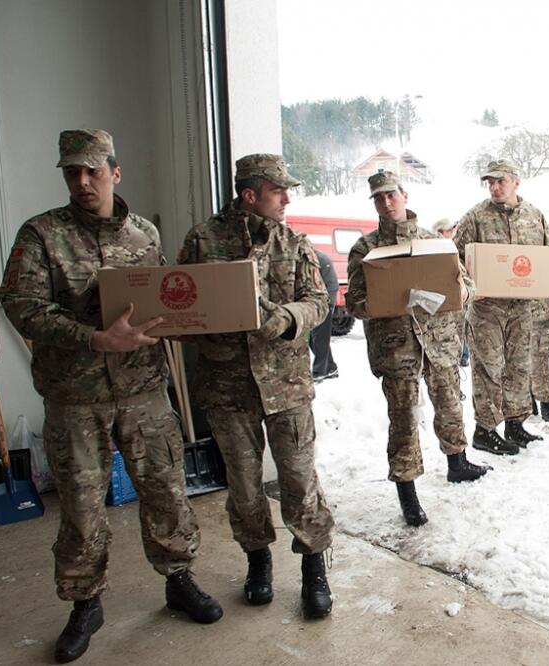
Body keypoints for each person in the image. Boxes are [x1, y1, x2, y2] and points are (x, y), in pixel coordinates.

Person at [0, 129, 222, 664]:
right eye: (71, 172)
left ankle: (178, 579)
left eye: (92, 170)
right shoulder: (42, 235)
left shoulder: (144, 234)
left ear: (114, 172)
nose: (81, 181)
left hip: (144, 392)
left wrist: (188, 321)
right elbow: (23, 307)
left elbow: (166, 298)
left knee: (165, 491)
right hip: (77, 398)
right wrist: (95, 338)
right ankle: (85, 605)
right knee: (81, 509)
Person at [176, 154, 336, 618]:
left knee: (300, 481)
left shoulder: (293, 242)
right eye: (278, 191)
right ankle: (258, 562)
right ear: (250, 194)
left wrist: (289, 317)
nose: (287, 199)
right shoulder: (203, 242)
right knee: (244, 486)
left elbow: (319, 301)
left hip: (285, 385)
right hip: (227, 388)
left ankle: (313, 570)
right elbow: (180, 302)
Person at [346, 171, 489, 528]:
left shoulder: (434, 242)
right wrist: (384, 300)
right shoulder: (366, 250)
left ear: (404, 195)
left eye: (391, 195)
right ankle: (407, 492)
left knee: (450, 404)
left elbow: (467, 287)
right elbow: (354, 303)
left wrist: (452, 295)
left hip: (438, 343)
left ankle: (458, 463)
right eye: (379, 198)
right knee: (404, 418)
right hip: (397, 349)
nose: (386, 202)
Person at [453, 158, 549, 454]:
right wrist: (470, 285)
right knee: (489, 367)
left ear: (516, 182)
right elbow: (453, 258)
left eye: (501, 181)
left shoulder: (534, 216)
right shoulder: (476, 217)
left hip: (523, 308)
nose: (495, 187)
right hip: (487, 310)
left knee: (519, 366)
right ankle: (484, 430)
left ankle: (515, 423)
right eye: (490, 182)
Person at [432, 218, 469, 369]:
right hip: (445, 312)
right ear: (440, 232)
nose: (454, 232)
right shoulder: (437, 249)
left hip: (457, 309)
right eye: (450, 229)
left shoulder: (451, 248)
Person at [311, 249, 340, 382]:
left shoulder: (322, 259)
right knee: (314, 338)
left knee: (320, 338)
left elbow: (332, 284)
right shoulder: (312, 257)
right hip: (315, 303)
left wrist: (328, 305)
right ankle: (330, 368)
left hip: (325, 303)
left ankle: (319, 371)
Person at [529, 298, 549, 424]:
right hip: (522, 308)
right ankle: (530, 397)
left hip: (541, 314)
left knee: (539, 362)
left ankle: (544, 402)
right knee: (521, 360)